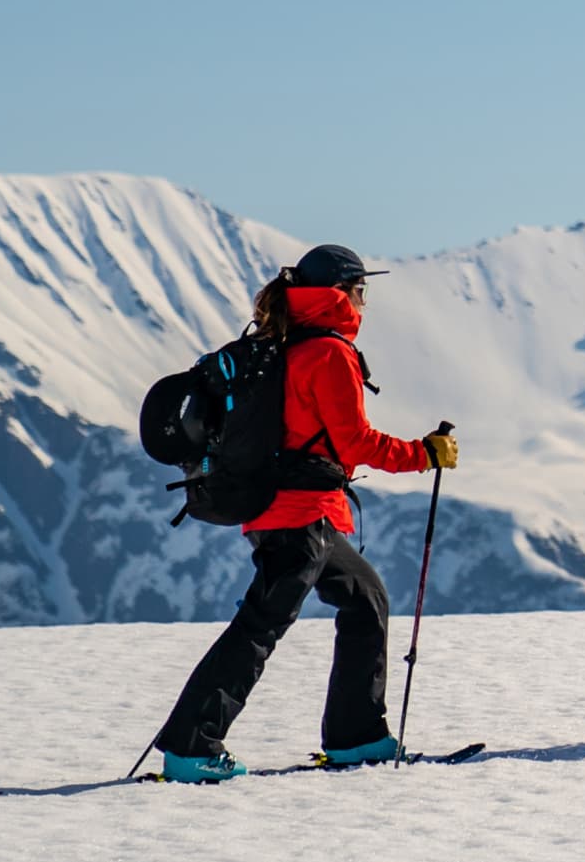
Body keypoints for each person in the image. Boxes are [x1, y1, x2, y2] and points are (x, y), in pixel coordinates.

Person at [148, 244, 457, 782]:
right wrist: (423, 453)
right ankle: (192, 746)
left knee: (365, 600)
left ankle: (357, 738)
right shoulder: (329, 352)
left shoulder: (283, 342)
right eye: (361, 290)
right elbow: (354, 442)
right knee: (260, 627)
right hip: (301, 514)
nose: (365, 301)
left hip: (286, 510)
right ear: (341, 293)